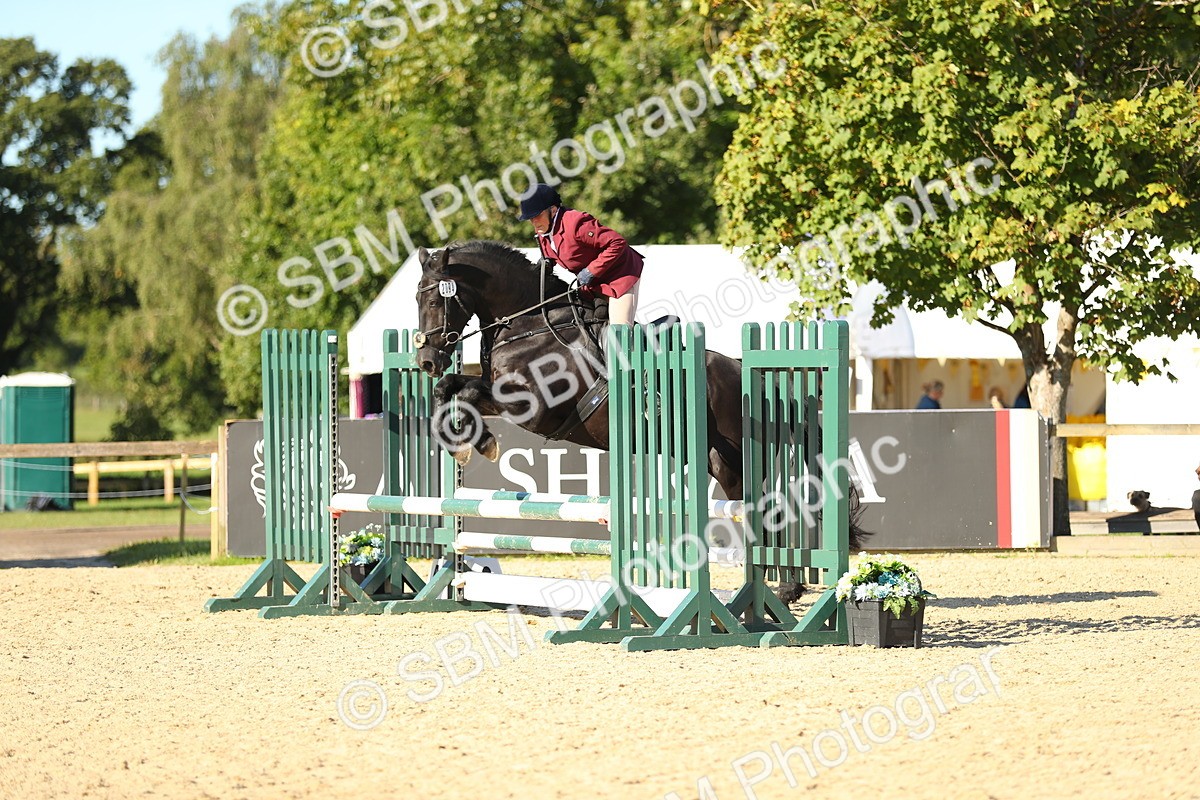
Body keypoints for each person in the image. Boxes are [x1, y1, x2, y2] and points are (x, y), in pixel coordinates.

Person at [518, 184, 643, 325]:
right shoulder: (544, 230)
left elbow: (617, 243)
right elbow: (555, 251)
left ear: (552, 210)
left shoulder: (575, 223)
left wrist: (591, 270)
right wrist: (546, 262)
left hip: (619, 276)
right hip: (593, 285)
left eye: (537, 216)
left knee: (620, 329)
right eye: (531, 219)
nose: (534, 222)